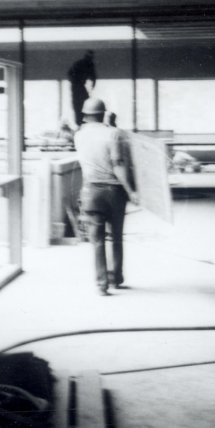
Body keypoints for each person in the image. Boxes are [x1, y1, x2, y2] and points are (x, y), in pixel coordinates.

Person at [73, 97, 138, 295]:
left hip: (91, 191)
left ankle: (101, 285)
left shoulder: (79, 135)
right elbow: (118, 163)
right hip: (114, 192)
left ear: (85, 115)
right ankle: (116, 278)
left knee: (97, 240)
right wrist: (130, 190)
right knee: (116, 236)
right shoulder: (114, 134)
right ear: (103, 114)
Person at [67, 50, 96, 127]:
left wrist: (93, 83)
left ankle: (81, 121)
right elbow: (70, 73)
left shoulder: (89, 64)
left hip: (78, 85)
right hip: (76, 85)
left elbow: (93, 76)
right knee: (79, 104)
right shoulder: (80, 63)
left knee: (83, 103)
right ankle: (79, 122)